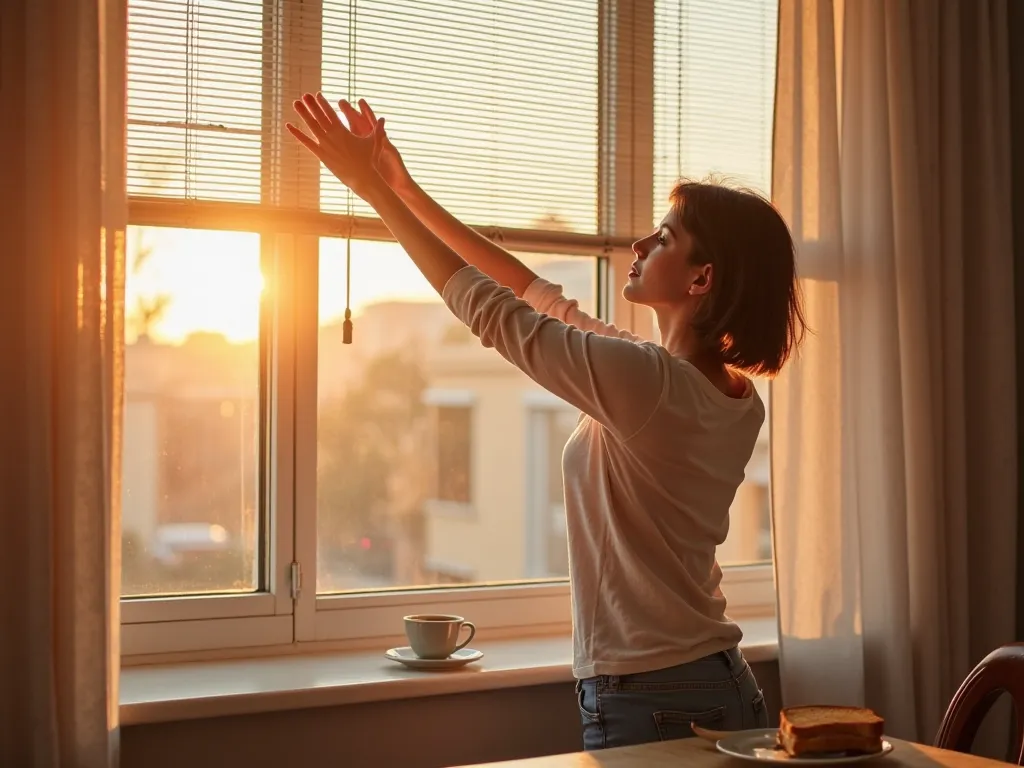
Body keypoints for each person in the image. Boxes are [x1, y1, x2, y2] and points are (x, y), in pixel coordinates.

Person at [287, 92, 806, 750]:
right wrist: (404, 187)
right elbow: (535, 296)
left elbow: (498, 313)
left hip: (654, 695)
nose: (641, 242)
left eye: (666, 236)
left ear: (701, 278)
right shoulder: (721, 390)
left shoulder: (648, 384)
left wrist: (371, 191)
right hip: (715, 684)